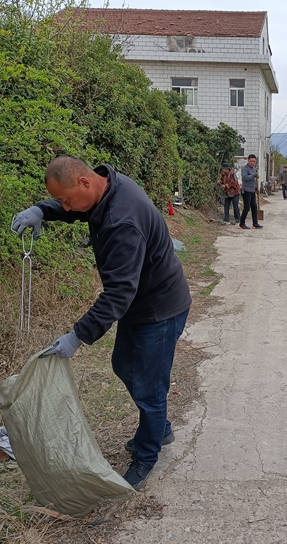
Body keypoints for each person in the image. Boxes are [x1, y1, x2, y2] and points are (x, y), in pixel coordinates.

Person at [11, 157, 192, 491]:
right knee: (123, 364)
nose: (66, 207)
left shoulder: (122, 221)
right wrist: (43, 210)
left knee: (150, 388)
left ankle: (147, 455)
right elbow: (74, 208)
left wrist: (77, 336)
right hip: (139, 304)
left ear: (84, 182)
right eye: (61, 201)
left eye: (66, 200)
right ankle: (159, 427)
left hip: (160, 308)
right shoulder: (104, 186)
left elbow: (119, 293)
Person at [239, 154, 262, 230]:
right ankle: (241, 224)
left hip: (252, 191)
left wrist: (256, 188)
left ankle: (255, 223)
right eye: (251, 161)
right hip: (246, 191)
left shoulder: (254, 169)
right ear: (248, 161)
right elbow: (245, 177)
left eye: (254, 161)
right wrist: (253, 176)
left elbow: (254, 180)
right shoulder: (245, 169)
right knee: (247, 207)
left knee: (254, 207)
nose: (252, 163)